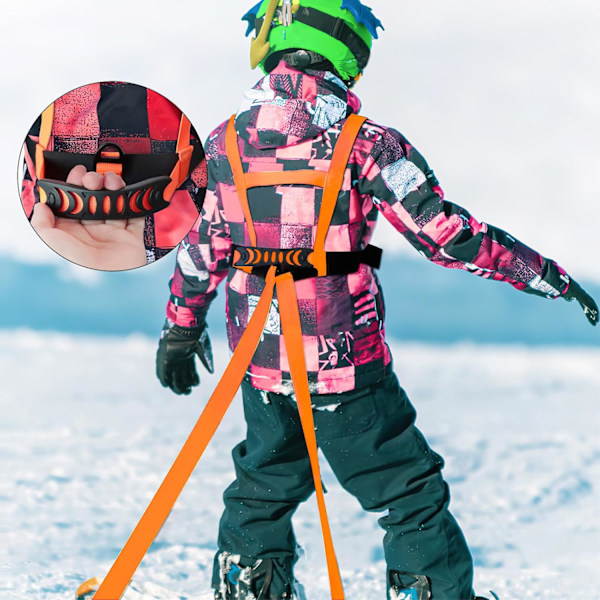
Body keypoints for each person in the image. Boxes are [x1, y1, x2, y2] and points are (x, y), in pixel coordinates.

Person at [156, 1, 598, 599]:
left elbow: (203, 247)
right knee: (407, 491)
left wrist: (180, 329)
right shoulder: (367, 145)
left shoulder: (224, 141)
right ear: (348, 53)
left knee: (263, 485)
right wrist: (544, 273)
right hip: (344, 365)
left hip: (260, 363)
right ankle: (429, 591)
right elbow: (446, 235)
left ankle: (249, 586)